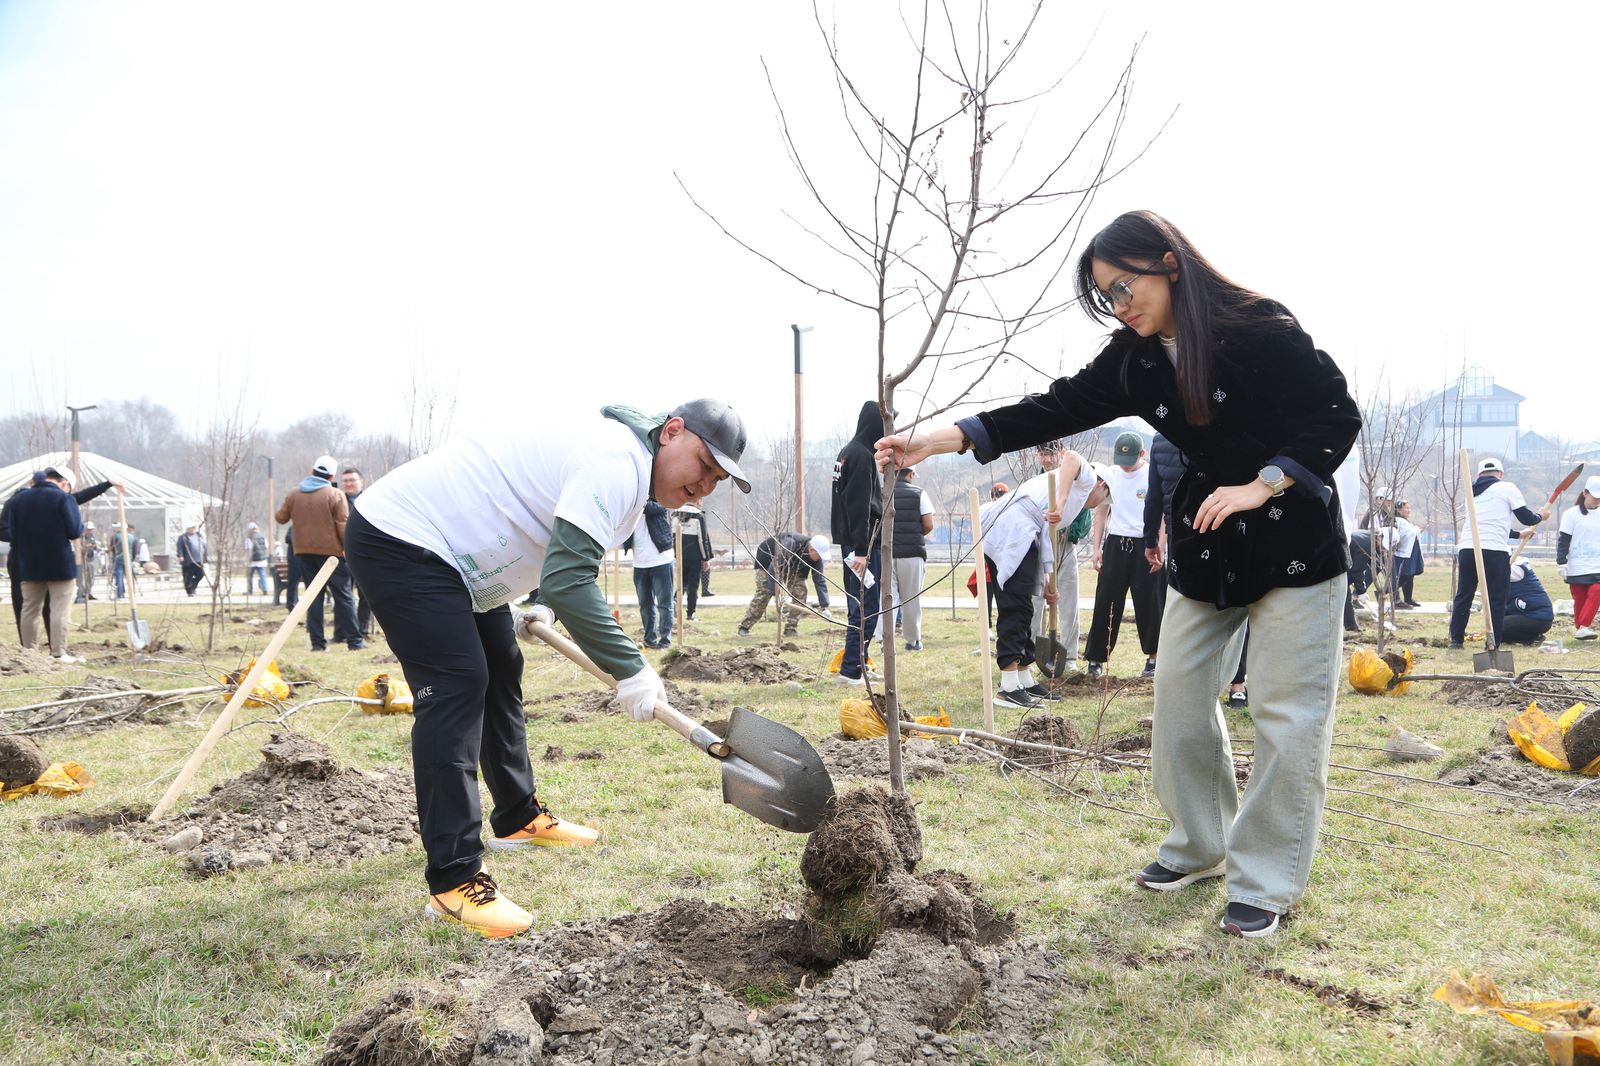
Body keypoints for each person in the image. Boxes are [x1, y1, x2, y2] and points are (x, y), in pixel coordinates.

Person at [877, 210, 1361, 938]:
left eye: (1123, 284)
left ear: (1169, 262)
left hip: (1294, 543)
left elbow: (1335, 414)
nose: (1119, 303)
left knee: (1287, 717)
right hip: (1209, 544)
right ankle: (1199, 844)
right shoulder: (1134, 359)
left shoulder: (1261, 327)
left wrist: (1265, 483)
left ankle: (1265, 878)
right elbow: (1052, 407)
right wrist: (939, 440)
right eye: (1106, 295)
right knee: (1178, 695)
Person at [344, 399, 748, 938]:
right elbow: (569, 580)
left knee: (500, 663)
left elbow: (552, 548)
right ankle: (454, 880)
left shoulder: (632, 472)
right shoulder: (615, 460)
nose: (705, 486)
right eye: (704, 466)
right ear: (672, 432)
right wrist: (631, 667)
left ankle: (515, 817)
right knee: (458, 684)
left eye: (718, 479)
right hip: (401, 539)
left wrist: (537, 600)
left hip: (454, 560)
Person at [981, 453, 1107, 707]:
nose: (1097, 506)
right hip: (1013, 527)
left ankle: (1024, 678)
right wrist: (1059, 503)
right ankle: (1007, 686)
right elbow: (1071, 456)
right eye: (1104, 499)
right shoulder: (1085, 481)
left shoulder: (1074, 495)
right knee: (1015, 605)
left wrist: (1047, 581)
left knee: (1025, 607)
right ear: (1102, 486)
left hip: (1025, 532)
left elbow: (1046, 535)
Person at [1448, 458, 1548, 650]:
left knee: (1464, 595)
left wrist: (1518, 534)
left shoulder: (1472, 492)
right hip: (1494, 551)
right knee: (1496, 598)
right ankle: (1492, 643)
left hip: (1468, 549)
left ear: (1479, 475)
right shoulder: (1507, 487)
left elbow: (1486, 524)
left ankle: (1456, 641)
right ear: (1501, 474)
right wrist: (1541, 516)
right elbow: (1526, 517)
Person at [1086, 431, 1162, 679]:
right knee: (1106, 599)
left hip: (1146, 544)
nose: (1124, 466)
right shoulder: (1111, 475)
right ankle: (1096, 659)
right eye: (1120, 459)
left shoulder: (1153, 474)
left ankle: (1154, 659)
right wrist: (1097, 548)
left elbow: (1163, 516)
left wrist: (1159, 545)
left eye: (1129, 460)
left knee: (1150, 603)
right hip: (1116, 544)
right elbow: (1100, 512)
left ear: (1142, 454)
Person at [275, 455, 363, 651]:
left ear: (312, 471)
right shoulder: (335, 494)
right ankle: (355, 642)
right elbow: (342, 525)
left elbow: (280, 518)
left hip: (304, 553)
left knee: (313, 597)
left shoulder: (294, 493)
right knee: (344, 597)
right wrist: (348, 550)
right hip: (332, 555)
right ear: (331, 476)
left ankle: (317, 644)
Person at [6, 467, 86, 662]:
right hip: (59, 563)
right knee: (59, 608)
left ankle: (28, 653)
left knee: (29, 609)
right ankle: (58, 652)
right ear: (65, 483)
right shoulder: (63, 499)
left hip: (29, 563)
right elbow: (74, 531)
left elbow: (10, 533)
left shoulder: (18, 500)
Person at [832, 402, 885, 685]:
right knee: (865, 607)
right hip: (861, 545)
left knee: (862, 604)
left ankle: (860, 663)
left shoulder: (848, 453)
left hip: (853, 542)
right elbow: (859, 506)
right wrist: (862, 551)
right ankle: (851, 670)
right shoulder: (861, 455)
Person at [1032, 441, 1091, 675]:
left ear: (1061, 453)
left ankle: (1069, 658)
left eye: (1051, 453)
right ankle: (1034, 653)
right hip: (1040, 546)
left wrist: (1069, 530)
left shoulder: (1075, 479)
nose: (1047, 459)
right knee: (1037, 599)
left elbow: (1083, 511)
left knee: (1069, 602)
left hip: (1066, 544)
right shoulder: (1035, 483)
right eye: (1042, 453)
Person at [879, 467, 934, 651]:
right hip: (912, 553)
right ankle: (912, 641)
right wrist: (916, 533)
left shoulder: (882, 493)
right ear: (910, 475)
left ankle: (884, 641)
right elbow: (928, 524)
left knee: (888, 598)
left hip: (887, 553)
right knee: (911, 598)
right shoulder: (919, 493)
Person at [738, 532, 830, 637]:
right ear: (812, 549)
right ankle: (744, 627)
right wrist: (773, 590)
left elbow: (819, 580)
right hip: (769, 559)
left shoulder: (817, 558)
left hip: (792, 566)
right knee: (765, 592)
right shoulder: (790, 543)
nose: (820, 558)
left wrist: (824, 605)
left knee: (801, 591)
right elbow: (775, 566)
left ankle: (791, 628)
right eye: (819, 555)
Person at [1558, 475, 1600, 640]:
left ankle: (1583, 626)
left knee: (1597, 591)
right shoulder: (1571, 514)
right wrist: (1561, 562)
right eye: (1595, 498)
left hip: (1597, 565)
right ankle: (1581, 630)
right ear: (1585, 493)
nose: (1597, 501)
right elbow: (1563, 540)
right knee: (1580, 599)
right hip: (1577, 566)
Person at [628, 500, 675, 648]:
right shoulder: (631, 510)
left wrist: (635, 500)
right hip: (639, 563)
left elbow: (653, 507)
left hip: (660, 560)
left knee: (664, 604)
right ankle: (649, 639)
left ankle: (665, 640)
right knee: (645, 605)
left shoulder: (658, 502)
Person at [341, 469, 373, 638]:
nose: (348, 484)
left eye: (352, 480)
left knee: (365, 595)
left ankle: (362, 629)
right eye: (345, 481)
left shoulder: (370, 500)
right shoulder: (338, 500)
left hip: (364, 556)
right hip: (343, 556)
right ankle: (343, 632)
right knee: (343, 596)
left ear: (361, 481)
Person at [1500, 558, 1554, 645]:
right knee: (1497, 629)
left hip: (1538, 618)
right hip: (1527, 614)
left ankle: (1532, 638)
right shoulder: (1513, 567)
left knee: (1498, 625)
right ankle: (1521, 637)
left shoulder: (1516, 569)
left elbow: (1499, 573)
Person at [672, 503, 711, 621]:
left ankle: (674, 602)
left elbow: (672, 535)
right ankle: (690, 613)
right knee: (693, 586)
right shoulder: (698, 516)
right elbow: (702, 538)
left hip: (679, 554)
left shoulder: (675, 514)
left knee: (681, 583)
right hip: (694, 555)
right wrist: (705, 558)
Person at [1390, 499, 1425, 608]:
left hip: (1411, 551)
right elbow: (1403, 535)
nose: (1409, 510)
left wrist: (1417, 530)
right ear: (1399, 509)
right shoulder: (1397, 521)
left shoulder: (1405, 521)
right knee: (1405, 575)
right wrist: (1416, 530)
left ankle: (1408, 598)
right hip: (1402, 553)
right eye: (1406, 508)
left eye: (1409, 508)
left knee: (1410, 575)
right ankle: (1385, 591)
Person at [177, 523, 207, 596]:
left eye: (194, 528)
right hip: (188, 560)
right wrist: (180, 556)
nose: (193, 529)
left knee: (201, 574)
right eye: (191, 528)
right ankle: (190, 591)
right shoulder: (183, 537)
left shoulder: (199, 536)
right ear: (188, 529)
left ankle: (193, 587)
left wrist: (205, 557)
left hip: (199, 559)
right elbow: (179, 547)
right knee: (188, 576)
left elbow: (204, 546)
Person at [244, 522, 271, 595]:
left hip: (252, 561)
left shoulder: (249, 538)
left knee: (249, 576)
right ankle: (265, 590)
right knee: (262, 576)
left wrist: (248, 560)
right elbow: (266, 546)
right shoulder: (262, 537)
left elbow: (249, 550)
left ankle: (250, 591)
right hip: (262, 560)